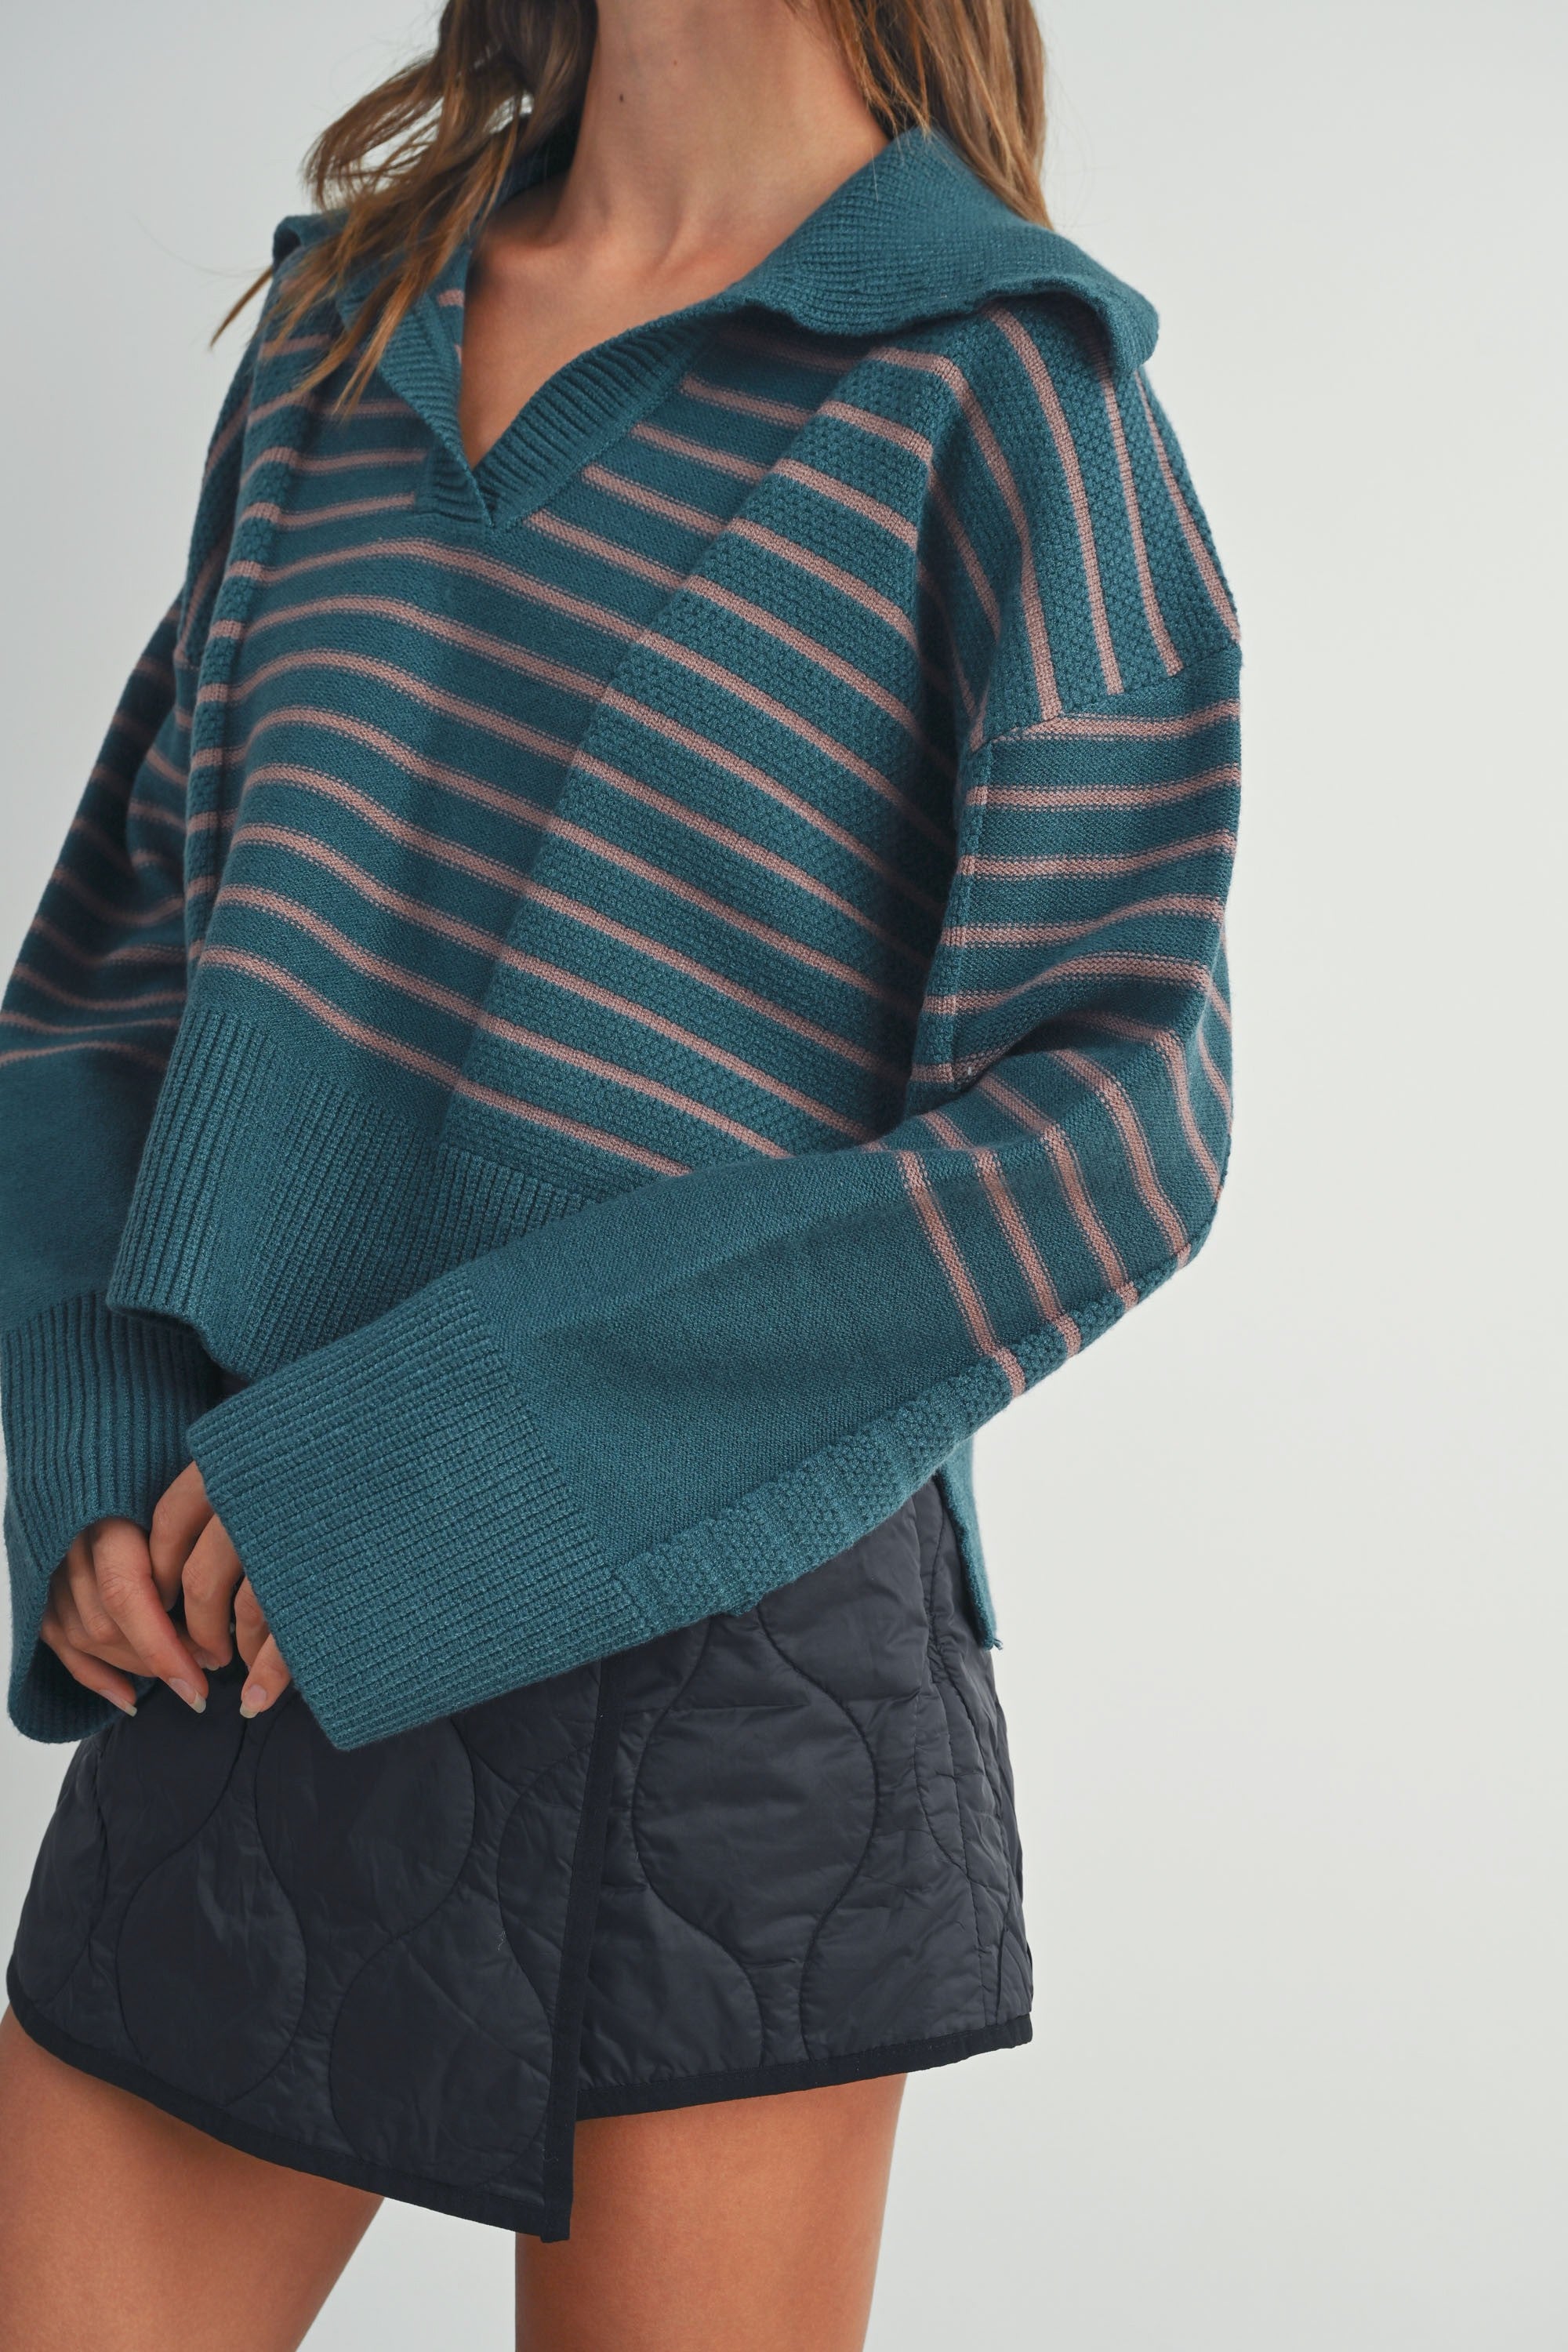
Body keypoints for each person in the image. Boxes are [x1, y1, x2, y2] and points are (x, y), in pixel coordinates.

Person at [0, 0, 1240, 2343]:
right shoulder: (349, 327)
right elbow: (113, 976)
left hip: (727, 1660)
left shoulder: (1005, 397)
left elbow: (1118, 1128)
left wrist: (447, 1453)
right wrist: (86, 1436)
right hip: (247, 1595)